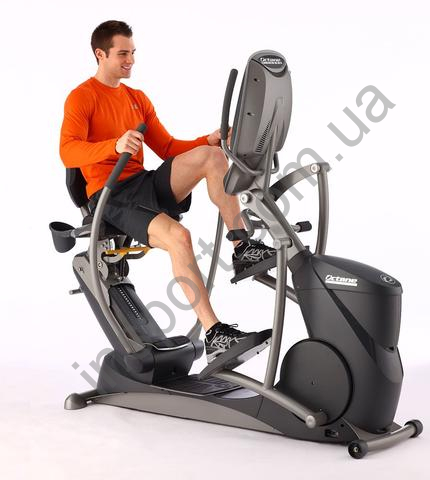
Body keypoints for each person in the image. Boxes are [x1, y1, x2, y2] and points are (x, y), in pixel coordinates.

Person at [60, 20, 275, 364]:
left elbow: (167, 148)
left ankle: (242, 246)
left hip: (142, 182)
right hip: (111, 195)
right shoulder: (82, 97)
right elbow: (68, 151)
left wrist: (208, 140)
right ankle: (215, 335)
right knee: (179, 237)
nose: (131, 60)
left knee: (211, 156)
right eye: (122, 54)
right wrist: (113, 145)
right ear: (100, 54)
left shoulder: (136, 98)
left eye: (133, 52)